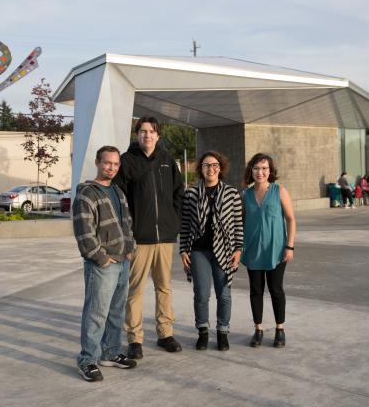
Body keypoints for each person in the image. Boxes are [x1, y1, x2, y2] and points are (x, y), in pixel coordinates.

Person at [114, 116, 184, 359]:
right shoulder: (127, 161)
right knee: (135, 290)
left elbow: (179, 192)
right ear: (137, 134)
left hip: (164, 237)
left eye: (152, 131)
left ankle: (165, 333)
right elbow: (120, 200)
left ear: (158, 135)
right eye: (143, 131)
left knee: (164, 287)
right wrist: (128, 233)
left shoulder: (167, 161)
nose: (147, 135)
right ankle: (135, 339)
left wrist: (173, 221)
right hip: (139, 239)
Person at [73, 146, 137, 382]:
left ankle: (110, 353)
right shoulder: (87, 194)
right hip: (102, 265)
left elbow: (127, 222)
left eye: (115, 164)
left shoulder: (118, 191)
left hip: (122, 262)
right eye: (107, 163)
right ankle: (87, 359)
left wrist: (130, 249)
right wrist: (101, 257)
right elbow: (83, 233)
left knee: (116, 312)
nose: (111, 167)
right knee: (96, 313)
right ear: (98, 163)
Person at [179, 151, 243, 351]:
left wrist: (238, 249)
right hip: (198, 251)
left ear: (220, 168)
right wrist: (183, 250)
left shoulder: (232, 193)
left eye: (215, 165)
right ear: (201, 169)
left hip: (224, 250)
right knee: (201, 294)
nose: (211, 169)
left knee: (224, 294)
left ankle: (223, 331)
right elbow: (186, 224)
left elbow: (237, 224)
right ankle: (203, 332)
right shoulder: (191, 193)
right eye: (207, 165)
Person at [241, 153, 296, 348]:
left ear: (270, 171)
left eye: (264, 168)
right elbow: (240, 223)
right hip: (253, 250)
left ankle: (280, 329)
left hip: (277, 250)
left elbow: (290, 219)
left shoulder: (279, 191)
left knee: (276, 290)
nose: (260, 172)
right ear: (251, 171)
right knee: (256, 291)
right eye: (256, 168)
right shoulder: (245, 195)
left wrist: (289, 246)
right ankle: (258, 329)